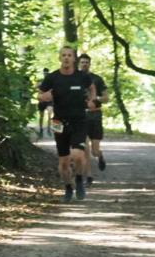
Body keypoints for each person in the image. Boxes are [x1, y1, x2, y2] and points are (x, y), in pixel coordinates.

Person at [38, 46, 95, 203]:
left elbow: (92, 88)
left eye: (69, 55)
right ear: (59, 58)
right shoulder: (52, 77)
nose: (66, 58)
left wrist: (91, 100)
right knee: (63, 162)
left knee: (77, 155)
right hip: (58, 122)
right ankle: (68, 188)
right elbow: (40, 94)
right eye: (63, 55)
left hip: (79, 121)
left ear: (74, 59)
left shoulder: (82, 76)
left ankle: (79, 179)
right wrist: (43, 96)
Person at [77, 53, 109, 185]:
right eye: (82, 62)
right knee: (85, 148)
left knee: (94, 152)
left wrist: (96, 98)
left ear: (90, 64)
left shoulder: (97, 79)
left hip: (95, 115)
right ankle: (89, 176)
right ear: (78, 64)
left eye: (86, 62)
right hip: (81, 116)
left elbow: (106, 98)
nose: (84, 64)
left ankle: (100, 155)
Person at [37, 67, 53, 138]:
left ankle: (49, 129)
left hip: (49, 101)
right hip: (42, 100)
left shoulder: (51, 81)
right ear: (43, 73)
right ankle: (41, 130)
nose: (45, 74)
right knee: (41, 116)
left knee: (49, 114)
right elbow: (36, 87)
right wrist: (39, 85)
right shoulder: (40, 81)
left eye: (47, 73)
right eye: (44, 73)